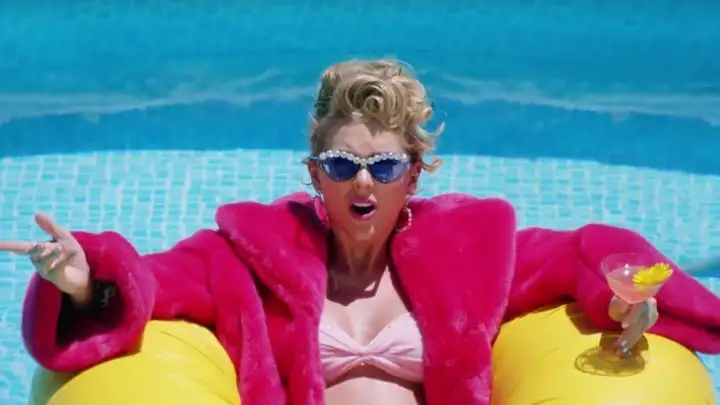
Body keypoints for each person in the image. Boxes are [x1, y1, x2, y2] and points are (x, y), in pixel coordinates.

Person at [2, 59, 720, 405]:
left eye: (386, 165)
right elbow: (152, 282)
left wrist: (628, 295)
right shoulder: (251, 253)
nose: (363, 183)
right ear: (316, 174)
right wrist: (83, 280)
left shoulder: (470, 250)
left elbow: (583, 251)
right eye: (343, 165)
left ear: (416, 173)